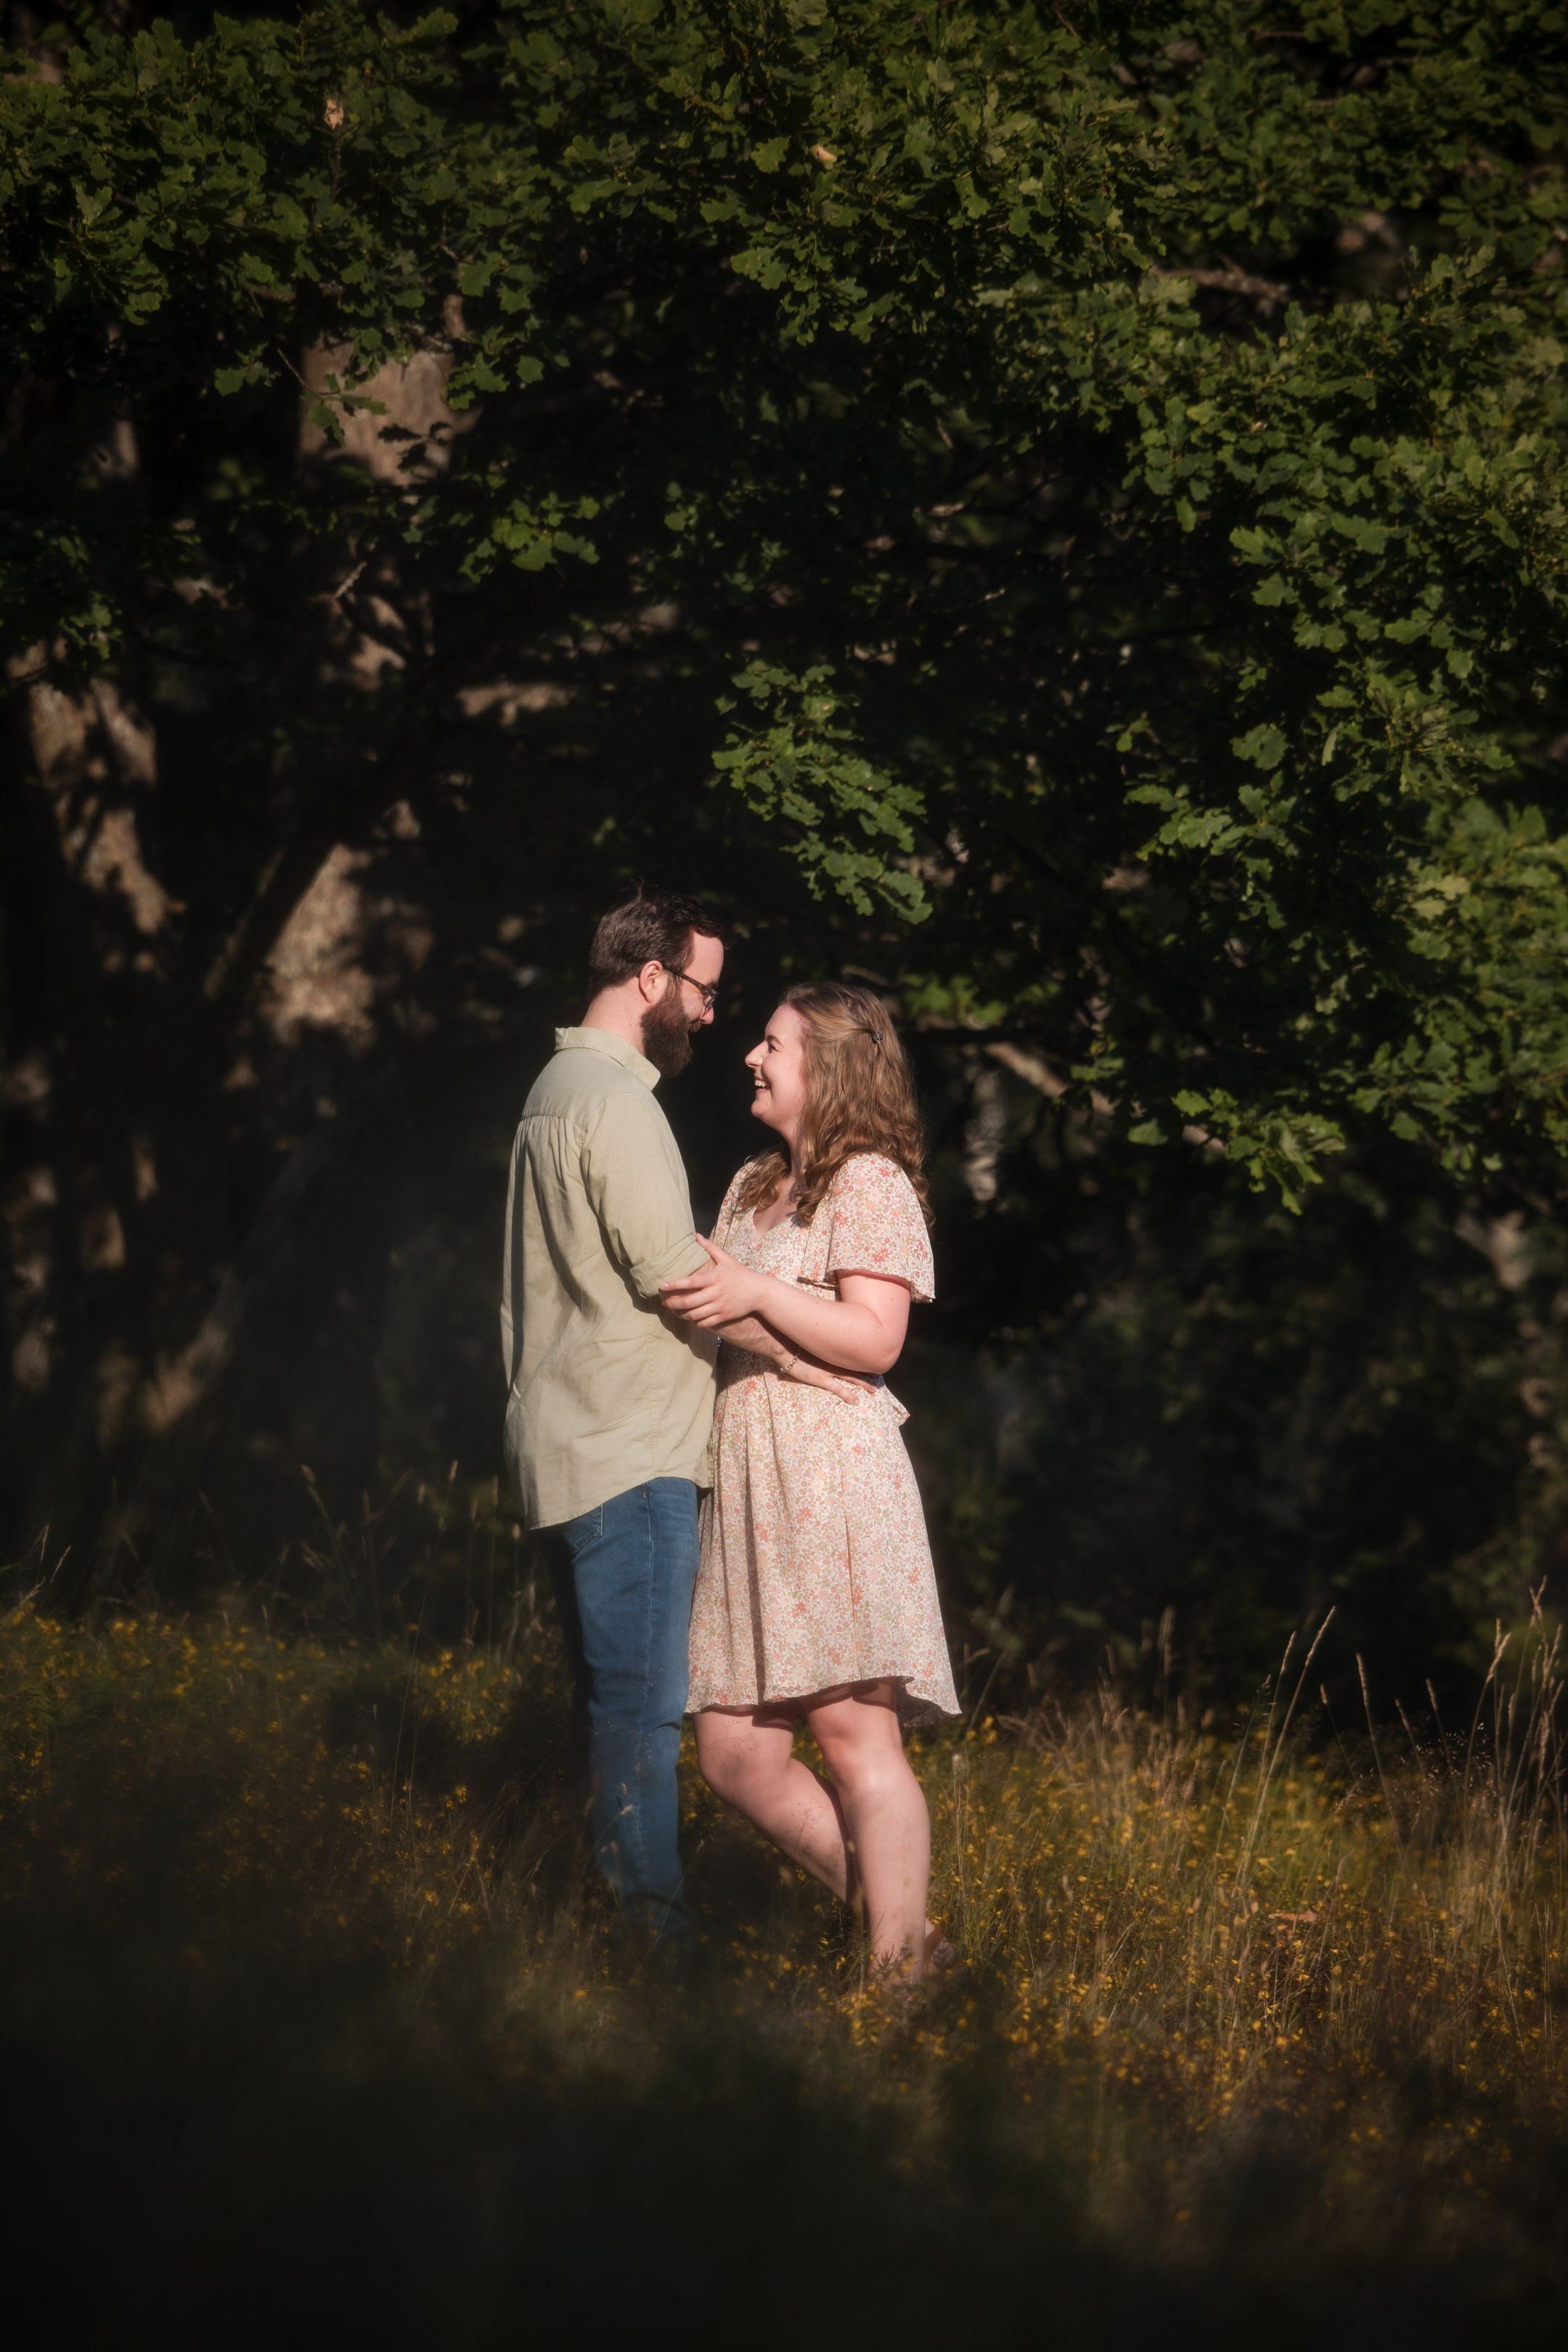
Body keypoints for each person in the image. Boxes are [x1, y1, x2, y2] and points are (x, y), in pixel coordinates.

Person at [499, 891, 862, 1943]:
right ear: (651, 978)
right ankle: (649, 1941)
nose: (710, 1012)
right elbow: (680, 1278)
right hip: (631, 1453)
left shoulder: (551, 1090)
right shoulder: (617, 1101)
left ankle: (607, 1923)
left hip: (564, 1444)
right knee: (642, 1712)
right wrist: (810, 1358)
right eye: (703, 989)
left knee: (607, 1709)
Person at [660, 981, 960, 1981]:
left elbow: (876, 1340)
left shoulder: (869, 1181)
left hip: (830, 1474)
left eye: (774, 1044)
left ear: (829, 1067)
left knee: (852, 1733)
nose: (752, 1056)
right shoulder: (754, 1181)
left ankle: (898, 1976)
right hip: (748, 1475)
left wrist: (754, 1290)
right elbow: (735, 1321)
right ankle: (910, 1941)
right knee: (734, 1755)